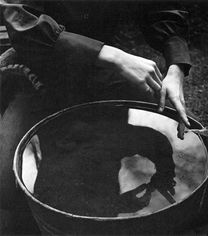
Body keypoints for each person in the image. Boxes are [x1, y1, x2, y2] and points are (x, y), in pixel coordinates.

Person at [0, 0, 192, 233]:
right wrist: (114, 56)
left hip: (101, 75)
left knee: (101, 180)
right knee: (9, 190)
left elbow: (161, 7)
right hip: (31, 71)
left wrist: (176, 67)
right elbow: (22, 23)